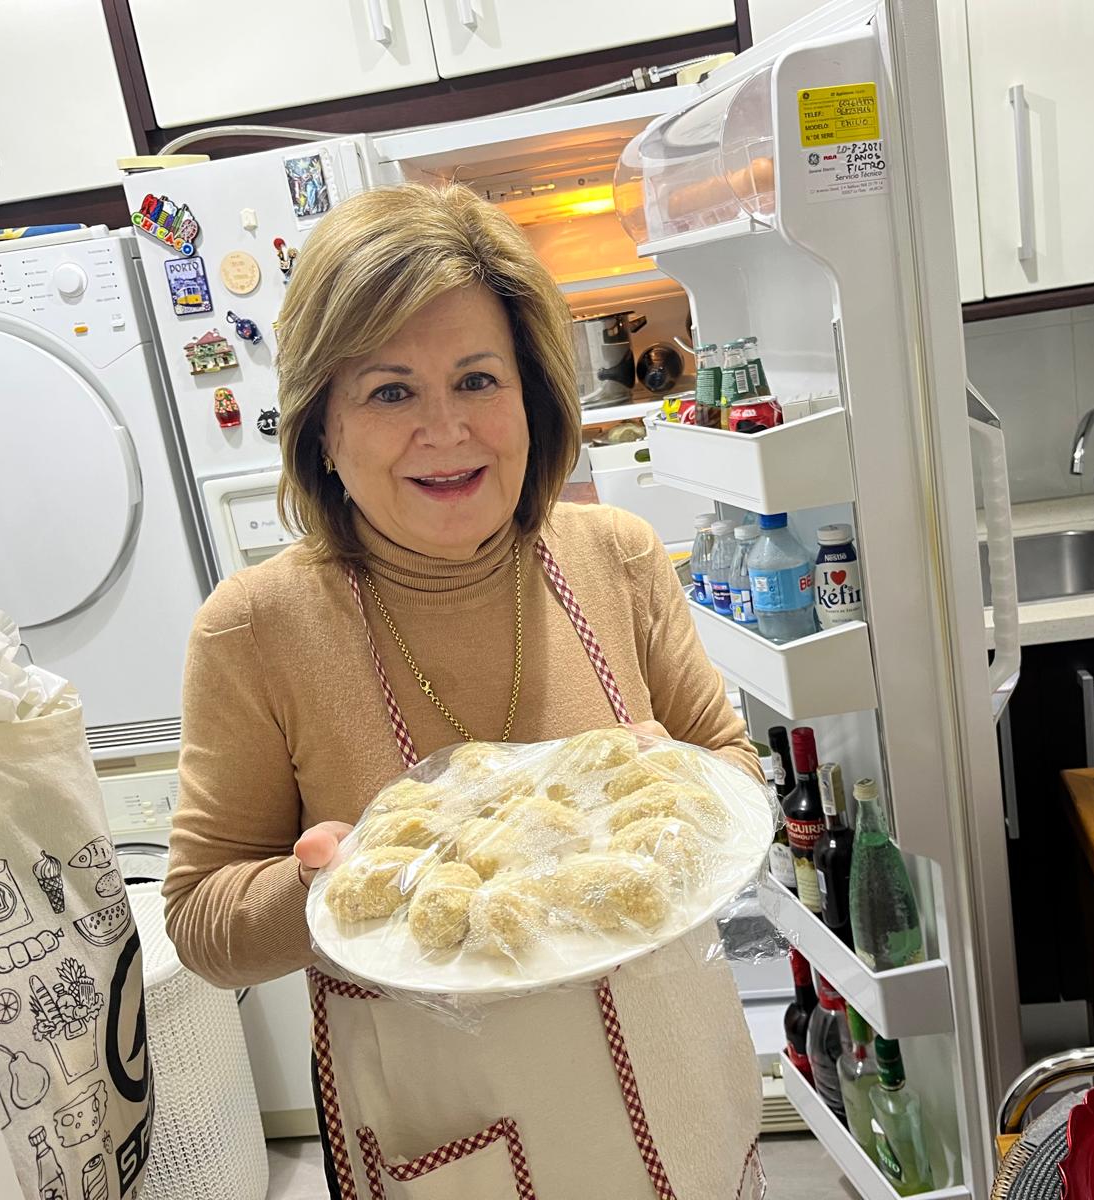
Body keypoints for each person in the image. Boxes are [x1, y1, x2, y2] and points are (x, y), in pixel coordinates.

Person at [164, 183, 766, 1199]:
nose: (445, 430)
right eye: (390, 392)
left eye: (477, 380)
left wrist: (679, 798)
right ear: (322, 428)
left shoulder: (615, 557)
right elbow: (199, 921)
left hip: (679, 1093)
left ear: (531, 398)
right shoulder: (256, 629)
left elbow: (729, 766)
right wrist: (328, 887)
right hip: (449, 1134)